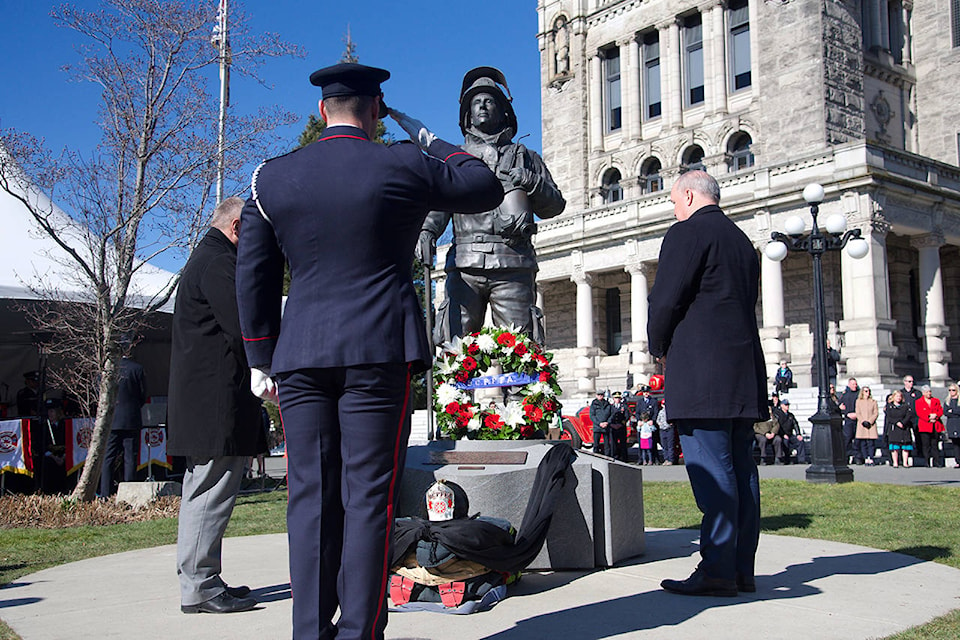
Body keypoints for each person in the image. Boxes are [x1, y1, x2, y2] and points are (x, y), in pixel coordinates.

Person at [235, 62, 503, 640]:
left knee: (308, 498)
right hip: (377, 350)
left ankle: (309, 631)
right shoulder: (404, 162)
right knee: (368, 500)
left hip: (301, 354)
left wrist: (260, 358)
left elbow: (253, 277)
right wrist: (427, 137)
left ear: (321, 111)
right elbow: (483, 184)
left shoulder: (269, 178)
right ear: (377, 109)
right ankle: (360, 633)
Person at [648, 170, 767, 597]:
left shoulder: (686, 233)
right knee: (742, 474)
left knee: (715, 476)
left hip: (702, 375)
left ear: (692, 196)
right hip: (741, 374)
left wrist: (656, 343)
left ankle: (717, 569)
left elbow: (666, 298)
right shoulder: (741, 241)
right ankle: (740, 568)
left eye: (676, 201)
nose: (674, 209)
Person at [167, 197, 267, 615]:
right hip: (214, 404)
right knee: (209, 494)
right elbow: (244, 326)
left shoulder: (208, 258)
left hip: (208, 402)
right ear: (237, 228)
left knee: (205, 492)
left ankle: (204, 577)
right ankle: (201, 586)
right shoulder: (218, 263)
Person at [417, 66, 565, 344]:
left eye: (489, 100)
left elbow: (554, 206)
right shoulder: (454, 158)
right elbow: (438, 205)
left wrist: (532, 182)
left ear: (503, 110)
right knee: (455, 353)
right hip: (465, 266)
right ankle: (455, 391)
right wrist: (426, 232)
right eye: (476, 102)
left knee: (521, 352)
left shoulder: (526, 157)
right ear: (467, 113)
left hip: (513, 264)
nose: (483, 106)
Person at [99, 352, 146, 496]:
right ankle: (129, 493)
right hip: (130, 419)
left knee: (108, 458)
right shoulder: (136, 369)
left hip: (111, 419)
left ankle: (105, 493)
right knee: (130, 457)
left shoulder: (107, 370)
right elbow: (142, 394)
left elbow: (100, 392)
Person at [915, 385, 944, 468]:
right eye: (927, 392)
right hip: (925, 425)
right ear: (923, 393)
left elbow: (940, 410)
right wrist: (928, 418)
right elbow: (919, 412)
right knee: (926, 444)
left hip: (935, 425)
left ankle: (937, 461)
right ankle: (926, 461)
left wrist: (936, 416)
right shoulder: (919, 402)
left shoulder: (935, 400)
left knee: (934, 444)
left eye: (930, 391)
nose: (929, 393)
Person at [884, 390, 912, 468]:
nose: (898, 398)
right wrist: (896, 422)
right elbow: (889, 417)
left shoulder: (905, 406)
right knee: (895, 447)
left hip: (904, 427)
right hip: (894, 428)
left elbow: (908, 415)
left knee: (905, 447)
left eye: (900, 396)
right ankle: (895, 462)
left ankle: (905, 462)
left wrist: (903, 423)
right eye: (897, 396)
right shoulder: (889, 406)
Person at [777, 398, 808, 464]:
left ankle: (801, 459)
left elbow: (795, 424)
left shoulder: (790, 415)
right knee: (785, 441)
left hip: (790, 434)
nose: (787, 406)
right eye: (785, 405)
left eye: (788, 405)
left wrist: (798, 434)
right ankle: (787, 459)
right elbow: (777, 426)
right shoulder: (778, 414)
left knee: (800, 441)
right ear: (781, 405)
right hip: (782, 434)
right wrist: (783, 434)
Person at [854, 386, 879, 466]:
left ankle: (871, 458)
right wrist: (863, 421)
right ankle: (866, 458)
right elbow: (858, 412)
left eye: (868, 391)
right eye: (865, 391)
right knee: (863, 443)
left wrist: (870, 421)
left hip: (871, 425)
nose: (867, 393)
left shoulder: (873, 401)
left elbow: (876, 413)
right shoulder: (858, 401)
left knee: (871, 443)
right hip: (862, 425)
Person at [900, 374, 922, 466]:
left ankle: (919, 452)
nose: (911, 383)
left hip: (915, 417)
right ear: (904, 382)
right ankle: (904, 456)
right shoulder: (901, 393)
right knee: (905, 436)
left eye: (912, 381)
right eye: (909, 381)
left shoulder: (917, 393)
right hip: (905, 417)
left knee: (918, 435)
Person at [837, 378, 860, 463]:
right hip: (848, 419)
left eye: (855, 384)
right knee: (847, 439)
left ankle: (857, 457)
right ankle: (846, 457)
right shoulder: (845, 395)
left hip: (858, 419)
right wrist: (847, 414)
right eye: (853, 384)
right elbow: (840, 407)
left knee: (858, 440)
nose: (855, 386)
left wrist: (857, 414)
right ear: (849, 385)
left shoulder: (859, 394)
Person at [589, 390, 612, 455]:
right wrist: (599, 423)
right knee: (596, 445)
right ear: (596, 396)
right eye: (598, 395)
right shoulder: (594, 404)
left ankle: (607, 457)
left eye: (601, 395)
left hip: (606, 427)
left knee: (607, 445)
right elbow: (592, 415)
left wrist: (607, 422)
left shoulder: (607, 404)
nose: (600, 396)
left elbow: (611, 414)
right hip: (597, 427)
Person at [943, 383, 960, 468]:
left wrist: (952, 411)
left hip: (958, 423)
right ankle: (958, 461)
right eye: (950, 390)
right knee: (955, 444)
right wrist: (953, 412)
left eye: (953, 390)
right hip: (951, 424)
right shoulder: (947, 401)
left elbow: (958, 411)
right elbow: (945, 412)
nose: (951, 392)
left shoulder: (959, 401)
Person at [609, 391, 628, 461]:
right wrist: (611, 424)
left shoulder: (624, 406)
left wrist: (621, 424)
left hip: (621, 427)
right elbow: (609, 416)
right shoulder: (611, 407)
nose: (617, 399)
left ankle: (624, 458)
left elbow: (627, 416)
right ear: (613, 399)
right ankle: (614, 457)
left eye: (618, 398)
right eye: (616, 398)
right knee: (613, 443)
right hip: (613, 427)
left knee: (623, 443)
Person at [656, 400, 677, 465]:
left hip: (669, 429)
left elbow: (674, 420)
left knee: (670, 445)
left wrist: (671, 424)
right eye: (663, 404)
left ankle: (671, 460)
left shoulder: (670, 411)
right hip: (662, 430)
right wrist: (660, 424)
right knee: (664, 446)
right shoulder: (660, 412)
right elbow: (657, 420)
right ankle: (666, 459)